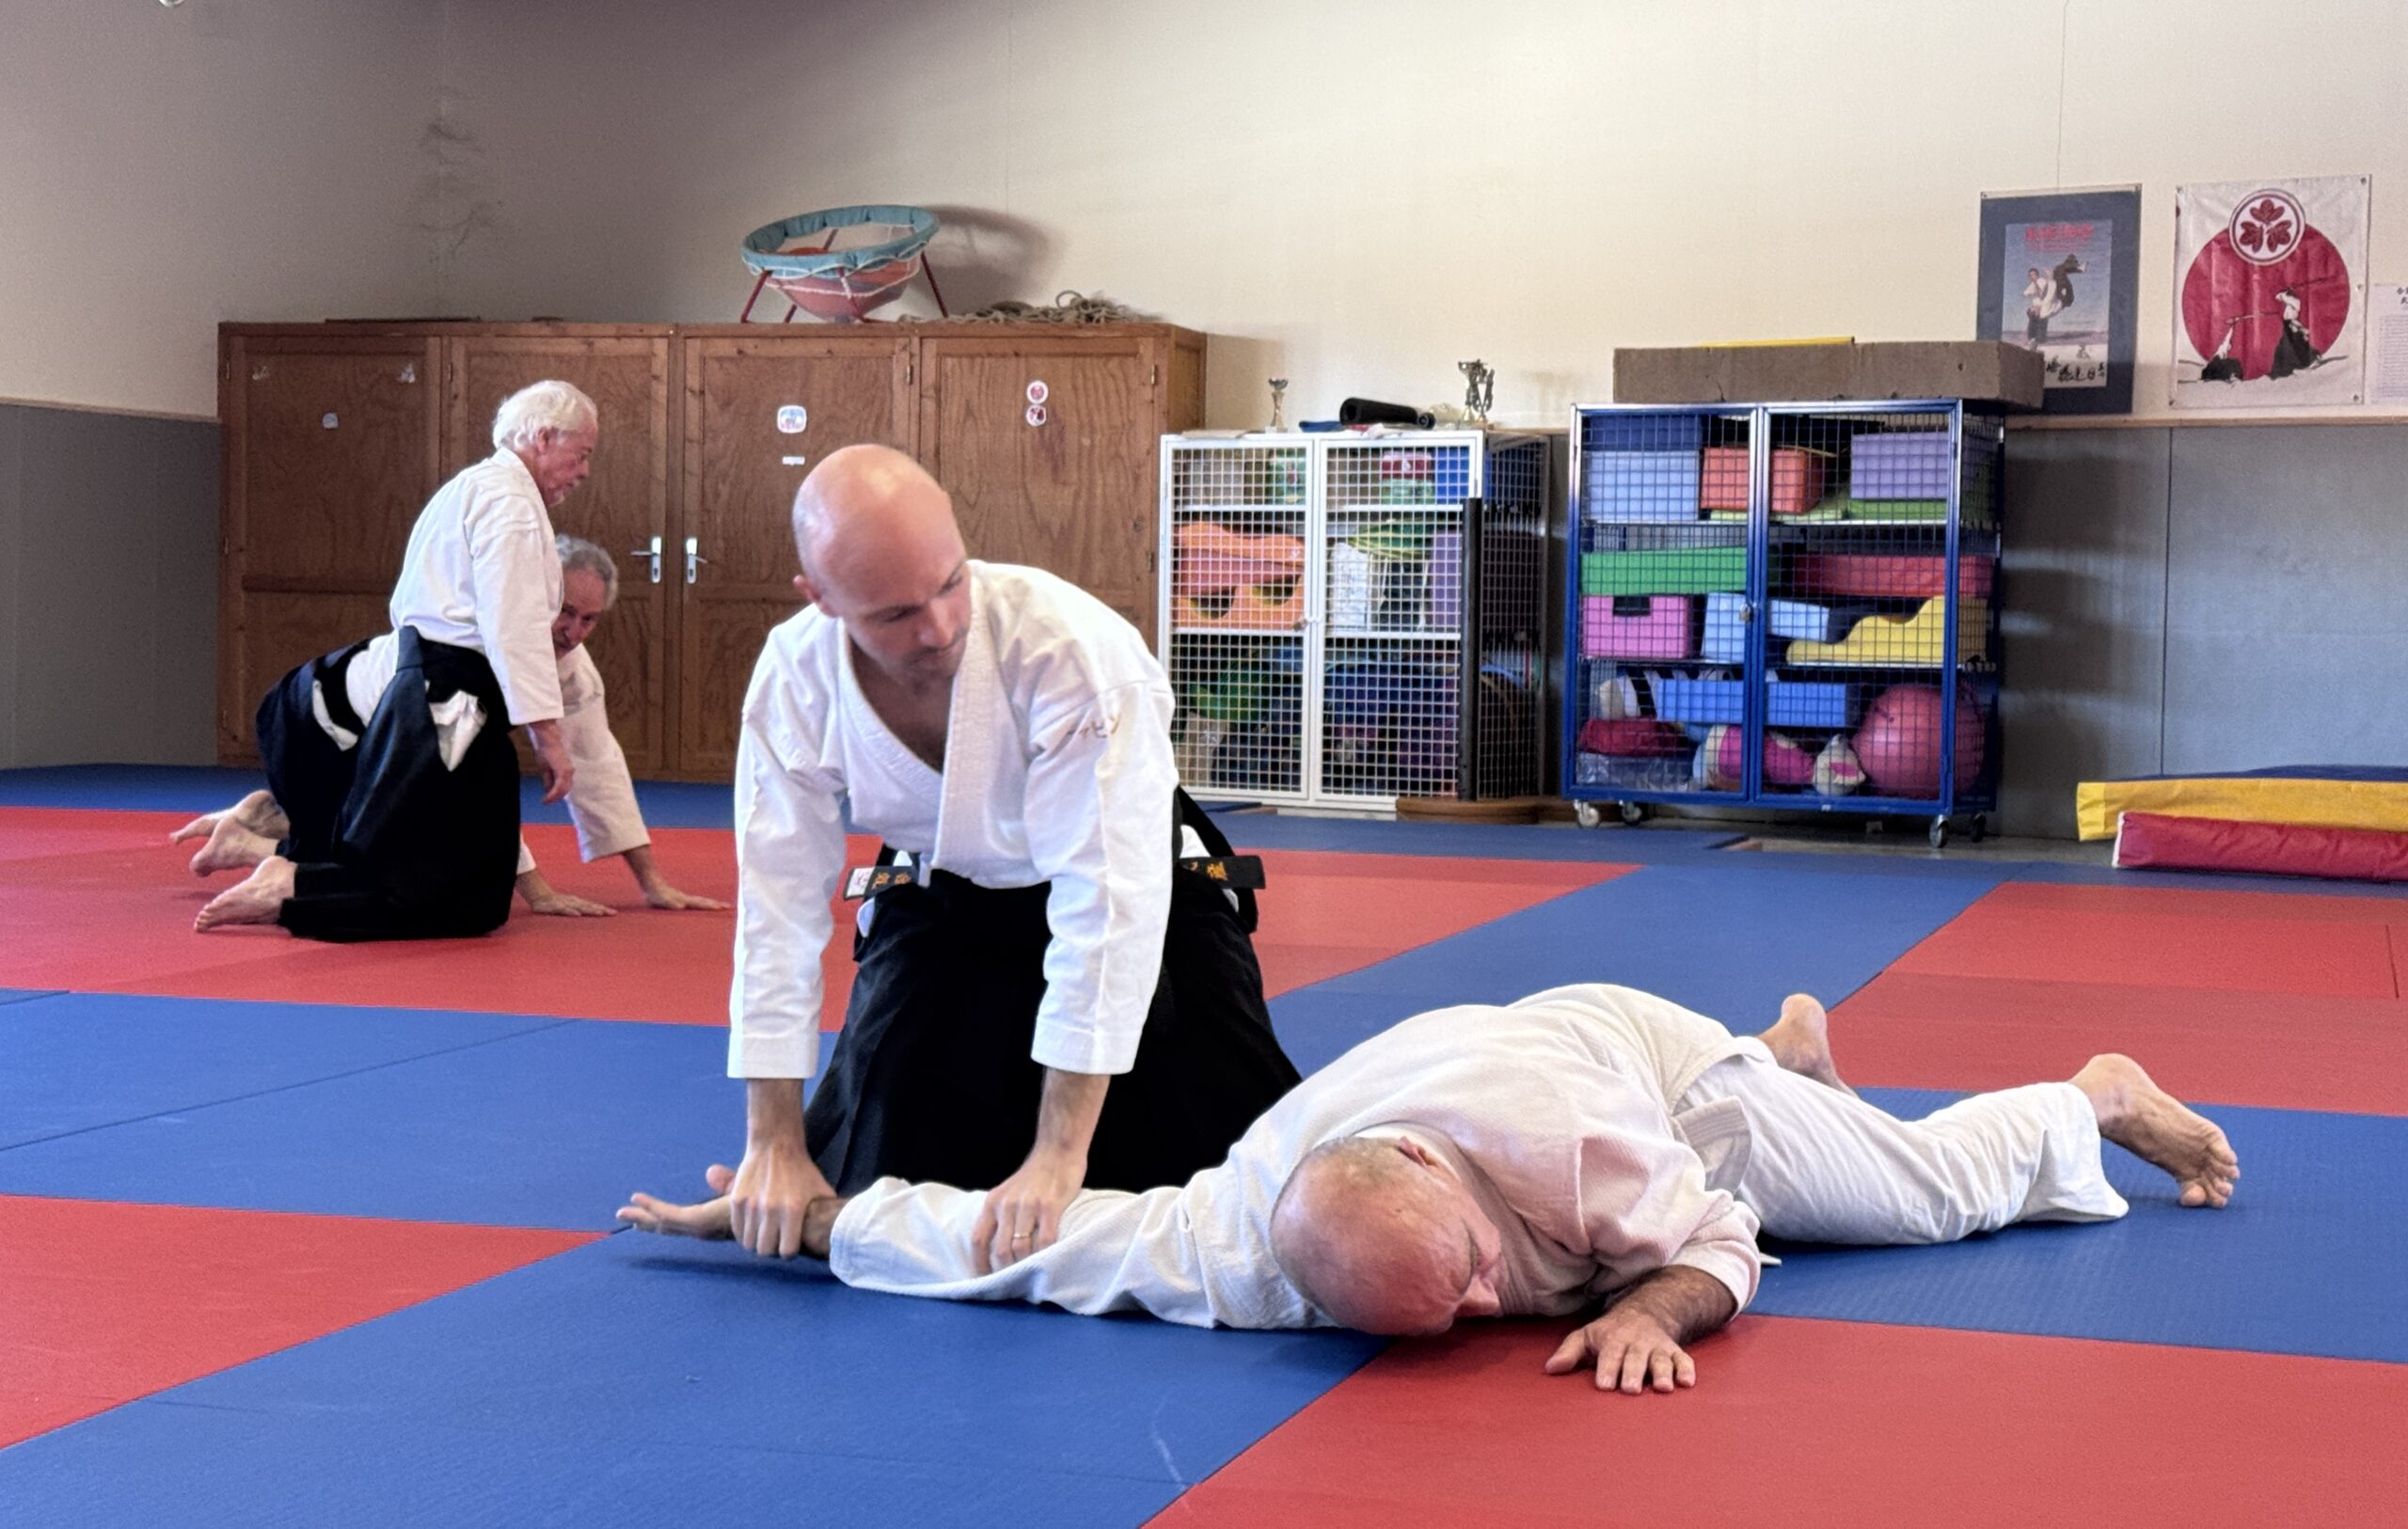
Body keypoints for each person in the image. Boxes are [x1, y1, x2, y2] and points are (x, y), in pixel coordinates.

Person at [622, 983, 2238, 1395]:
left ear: (1450, 1199)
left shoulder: (1572, 1151)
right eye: (1454, 1314)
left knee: (1923, 1196)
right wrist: (804, 1217)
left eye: (1463, 1281)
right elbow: (1018, 1242)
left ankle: (2085, 1093)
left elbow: (1721, 1232)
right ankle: (1803, 1055)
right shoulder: (1236, 1233)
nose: (1483, 1313)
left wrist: (1663, 1309)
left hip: (1652, 1068)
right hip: (1481, 1078)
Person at [721, 444, 1300, 1276]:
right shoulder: (795, 676)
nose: (938, 628)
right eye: (894, 614)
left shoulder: (1069, 647)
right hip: (948, 896)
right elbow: (776, 909)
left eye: (950, 583)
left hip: (1154, 901)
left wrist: (1058, 1159)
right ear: (821, 599)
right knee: (869, 1173)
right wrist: (773, 1141)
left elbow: (1108, 900)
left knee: (1245, 1197)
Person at [193, 381, 595, 940]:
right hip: (450, 693)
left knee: (474, 879)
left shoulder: (474, 486)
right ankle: (291, 883)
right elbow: (514, 623)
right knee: (420, 874)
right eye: (582, 454)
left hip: (438, 688)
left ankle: (289, 870)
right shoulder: (511, 505)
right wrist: (547, 736)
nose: (583, 472)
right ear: (544, 437)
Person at [176, 534, 726, 919]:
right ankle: (263, 843)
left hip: (369, 742)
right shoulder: (474, 655)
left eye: (590, 619)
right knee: (404, 866)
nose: (575, 632)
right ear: (534, 595)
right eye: (565, 612)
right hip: (311, 724)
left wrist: (652, 882)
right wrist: (537, 892)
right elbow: (468, 793)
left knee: (408, 854)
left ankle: (266, 819)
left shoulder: (572, 670)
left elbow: (597, 766)